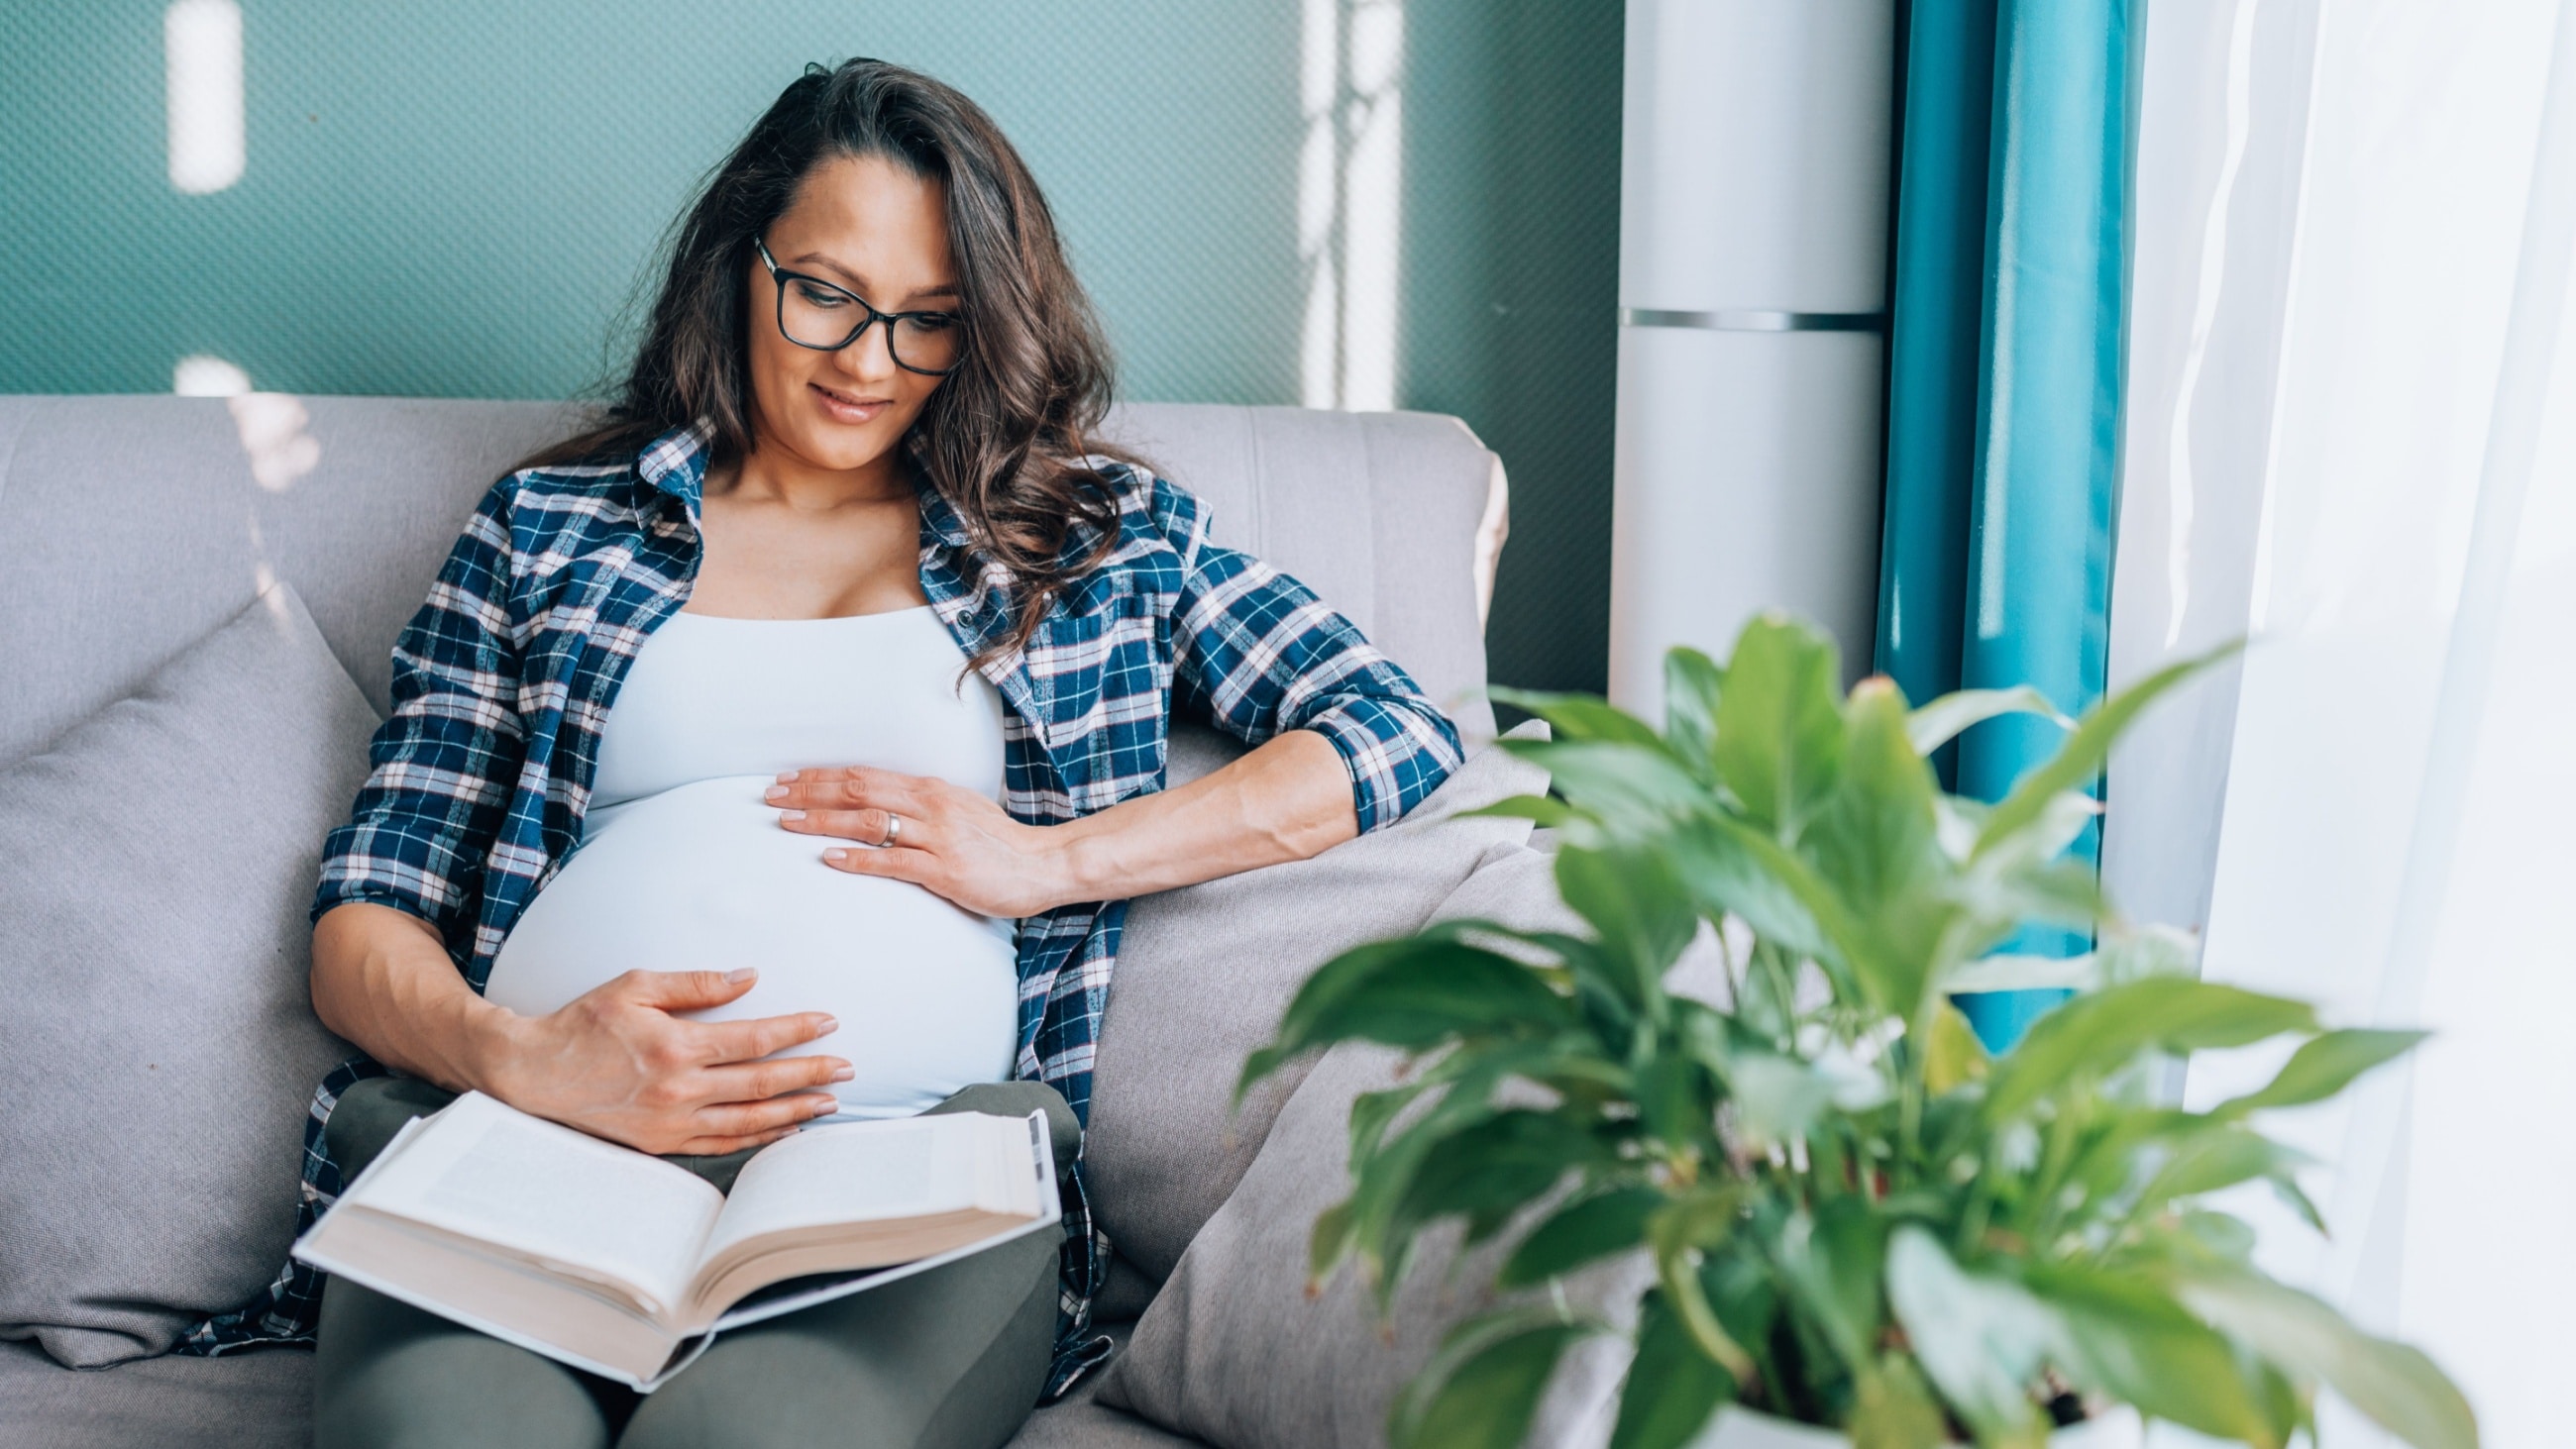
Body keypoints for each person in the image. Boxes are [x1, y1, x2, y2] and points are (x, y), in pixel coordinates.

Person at [179, 58, 1461, 1449]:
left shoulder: (1094, 535)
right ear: (742, 262)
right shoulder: (549, 526)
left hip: (906, 1183)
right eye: (829, 296)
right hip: (539, 1152)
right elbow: (367, 913)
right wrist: (518, 1056)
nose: (868, 363)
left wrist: (1048, 860)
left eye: (930, 322)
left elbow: (1394, 730)